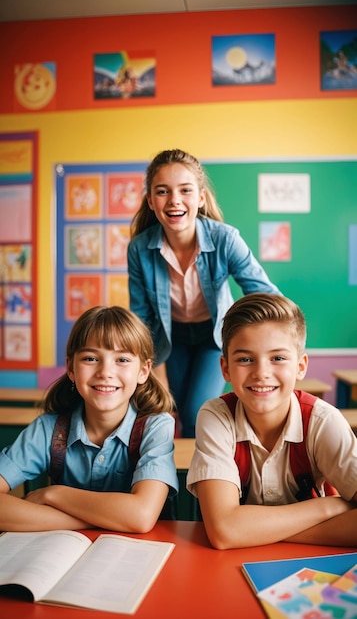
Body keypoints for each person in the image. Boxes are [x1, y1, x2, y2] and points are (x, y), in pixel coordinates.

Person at [128, 148, 280, 437]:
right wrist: (154, 373)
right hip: (170, 340)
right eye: (162, 191)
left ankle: (204, 478)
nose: (174, 200)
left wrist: (265, 350)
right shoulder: (139, 248)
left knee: (196, 412)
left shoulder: (225, 238)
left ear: (200, 197)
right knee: (168, 410)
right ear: (150, 200)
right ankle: (180, 476)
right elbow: (142, 319)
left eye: (185, 190)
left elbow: (265, 294)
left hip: (215, 336)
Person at [187, 293, 357, 549]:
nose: (261, 373)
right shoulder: (217, 416)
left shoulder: (322, 421)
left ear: (300, 366)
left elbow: (232, 531)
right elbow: (223, 532)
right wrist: (324, 508)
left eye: (277, 358)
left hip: (312, 565)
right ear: (225, 368)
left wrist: (253, 532)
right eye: (245, 359)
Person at [0, 306, 178, 532]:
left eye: (122, 359)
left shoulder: (155, 426)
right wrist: (94, 522)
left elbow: (140, 516)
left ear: (143, 371)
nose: (105, 372)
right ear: (71, 368)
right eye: (91, 358)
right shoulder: (48, 429)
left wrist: (53, 494)